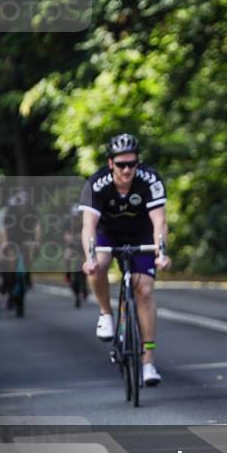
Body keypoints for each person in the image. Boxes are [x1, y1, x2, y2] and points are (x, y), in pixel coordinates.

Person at [78, 133, 170, 386]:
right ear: (110, 164)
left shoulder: (150, 180)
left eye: (132, 163)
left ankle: (148, 362)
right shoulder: (96, 184)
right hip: (107, 233)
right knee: (97, 266)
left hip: (140, 234)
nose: (127, 169)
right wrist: (89, 258)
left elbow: (159, 222)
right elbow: (88, 227)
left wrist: (161, 252)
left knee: (145, 290)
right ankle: (106, 313)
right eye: (121, 164)